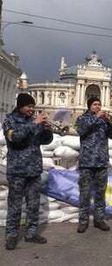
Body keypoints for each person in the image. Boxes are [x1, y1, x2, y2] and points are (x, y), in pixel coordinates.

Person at [2, 93, 53, 250]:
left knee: (33, 204)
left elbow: (45, 141)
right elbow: (15, 137)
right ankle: (11, 235)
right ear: (20, 106)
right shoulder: (9, 120)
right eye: (29, 106)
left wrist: (46, 130)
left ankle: (31, 233)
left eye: (33, 107)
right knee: (15, 205)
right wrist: (35, 124)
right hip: (17, 171)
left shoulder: (33, 121)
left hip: (33, 170)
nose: (32, 109)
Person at [75, 96, 112, 233]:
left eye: (99, 104)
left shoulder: (104, 121)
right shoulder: (82, 119)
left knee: (100, 194)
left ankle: (99, 220)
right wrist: (96, 118)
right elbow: (81, 130)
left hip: (101, 162)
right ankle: (83, 221)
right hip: (87, 163)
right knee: (85, 194)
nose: (98, 107)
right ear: (89, 106)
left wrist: (110, 122)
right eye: (95, 104)